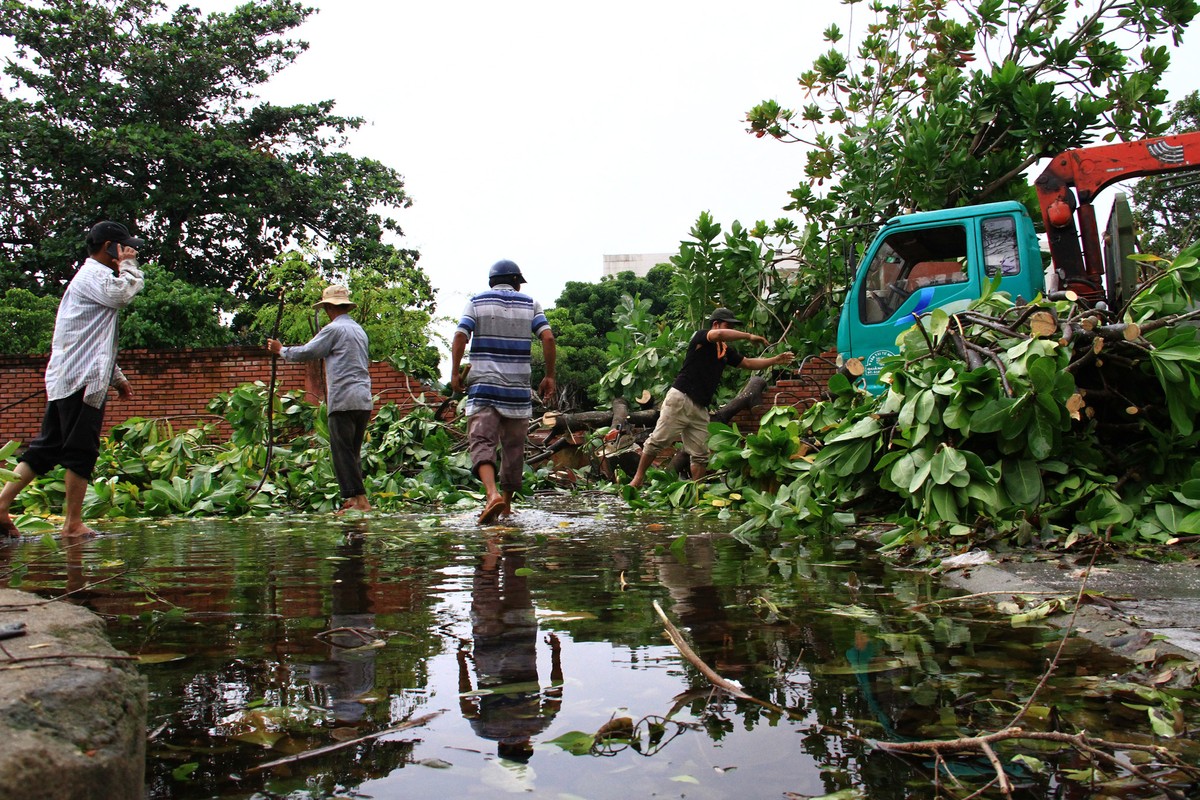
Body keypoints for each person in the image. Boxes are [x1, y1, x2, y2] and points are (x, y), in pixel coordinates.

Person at [0, 221, 145, 538]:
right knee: (81, 450)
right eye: (122, 248)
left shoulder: (92, 279)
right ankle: (72, 524)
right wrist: (129, 265)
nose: (127, 253)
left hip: (71, 375)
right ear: (109, 247)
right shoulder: (95, 275)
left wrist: (117, 377)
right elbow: (123, 295)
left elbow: (93, 338)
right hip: (81, 380)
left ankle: (0, 506)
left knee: (47, 447)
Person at [628, 307, 794, 488]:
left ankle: (696, 490)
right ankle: (637, 480)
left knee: (700, 454)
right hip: (681, 398)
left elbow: (747, 363)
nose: (730, 329)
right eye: (727, 325)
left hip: (700, 408)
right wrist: (748, 336)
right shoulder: (702, 337)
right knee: (657, 441)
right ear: (716, 324)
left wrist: (774, 360)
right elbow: (719, 334)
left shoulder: (724, 351)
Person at [450, 260, 556, 524]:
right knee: (513, 448)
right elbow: (548, 338)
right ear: (517, 281)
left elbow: (461, 335)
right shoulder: (531, 303)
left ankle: (491, 494)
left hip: (484, 386)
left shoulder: (476, 302)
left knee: (482, 442)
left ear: (492, 281)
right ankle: (506, 506)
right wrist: (549, 376)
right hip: (517, 390)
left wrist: (454, 373)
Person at [267, 285, 372, 514]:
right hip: (363, 399)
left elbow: (308, 352)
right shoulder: (358, 330)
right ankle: (355, 500)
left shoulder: (334, 329)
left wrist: (281, 350)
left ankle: (361, 501)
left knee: (342, 451)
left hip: (343, 399)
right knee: (352, 452)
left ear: (328, 308)